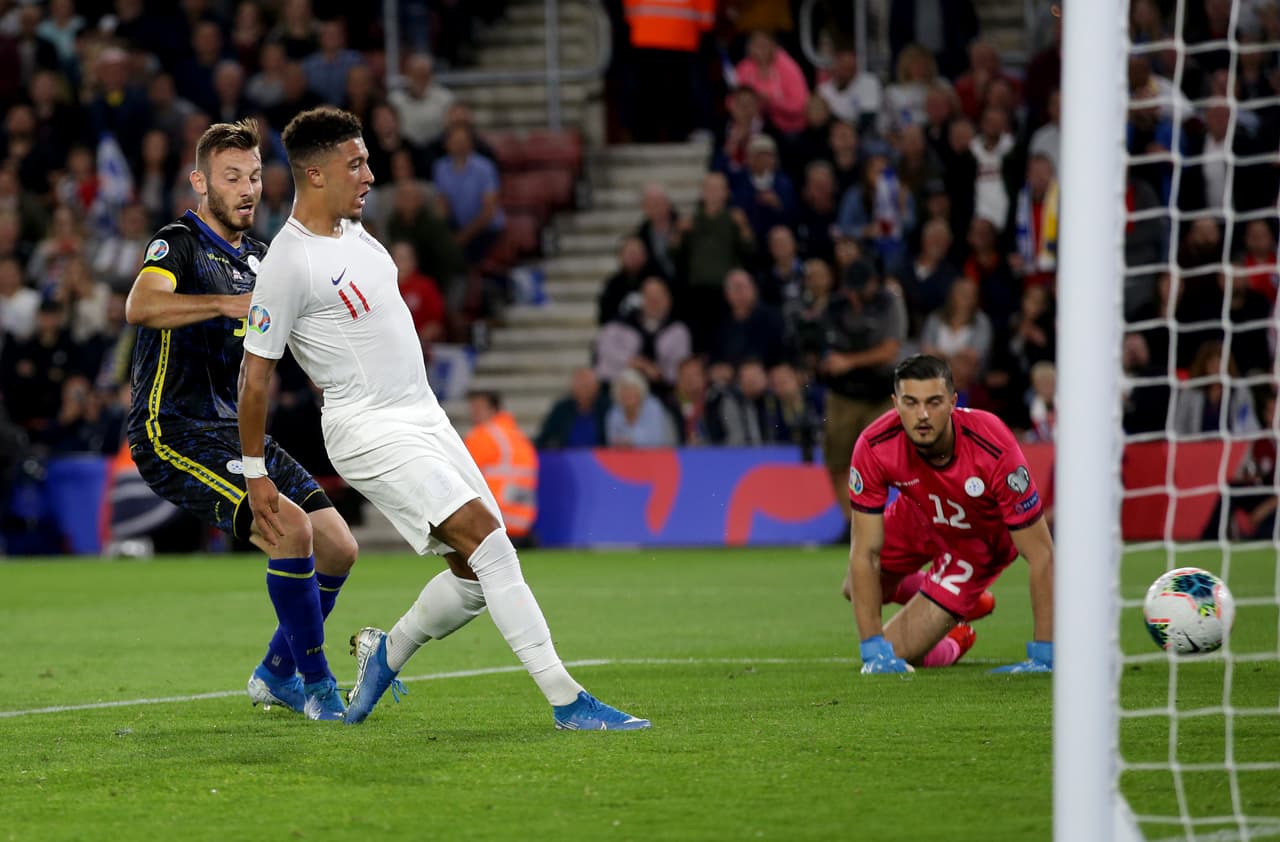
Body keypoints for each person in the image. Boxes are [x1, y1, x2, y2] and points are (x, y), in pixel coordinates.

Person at [239, 107, 648, 730]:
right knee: (489, 541)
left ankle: (386, 654)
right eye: (357, 163)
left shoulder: (356, 232)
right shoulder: (288, 264)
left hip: (422, 415)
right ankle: (567, 701)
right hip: (368, 427)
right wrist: (255, 472)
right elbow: (256, 375)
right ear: (315, 175)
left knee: (477, 573)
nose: (370, 174)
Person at [123, 120, 359, 721]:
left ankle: (277, 673)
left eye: (254, 176)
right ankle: (320, 687)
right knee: (294, 531)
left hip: (238, 431)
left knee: (339, 547)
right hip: (172, 430)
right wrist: (225, 303)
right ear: (201, 181)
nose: (247, 189)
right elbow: (140, 305)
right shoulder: (177, 243)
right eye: (232, 177)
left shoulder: (262, 256)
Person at [845, 354, 1055, 674]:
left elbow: (1041, 554)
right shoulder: (874, 446)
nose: (923, 415)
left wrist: (1045, 655)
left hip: (976, 543)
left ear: (954, 402)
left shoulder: (992, 444)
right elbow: (865, 552)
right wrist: (873, 651)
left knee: (900, 650)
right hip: (918, 514)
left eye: (934, 402)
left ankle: (957, 634)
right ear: (895, 402)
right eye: (911, 403)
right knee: (856, 586)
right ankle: (965, 604)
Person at [464, 391, 538, 547]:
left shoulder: (481, 435)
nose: (473, 414)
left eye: (478, 409)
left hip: (492, 521)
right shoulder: (518, 437)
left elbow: (461, 472)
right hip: (522, 522)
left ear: (494, 410)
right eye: (472, 409)